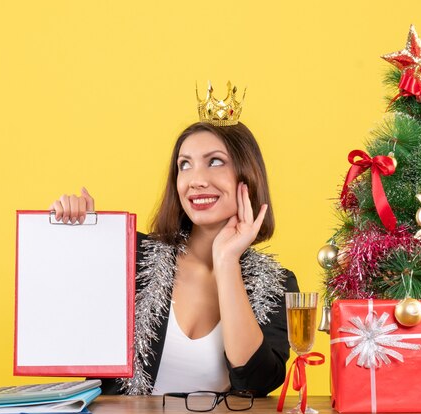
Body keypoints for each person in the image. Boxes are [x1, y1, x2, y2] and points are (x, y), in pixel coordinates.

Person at [50, 82, 299, 396]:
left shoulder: (277, 284)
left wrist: (226, 262)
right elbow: (67, 322)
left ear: (246, 176)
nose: (196, 180)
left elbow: (258, 383)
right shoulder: (130, 256)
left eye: (215, 161)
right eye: (185, 165)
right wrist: (73, 234)